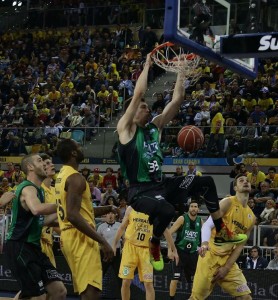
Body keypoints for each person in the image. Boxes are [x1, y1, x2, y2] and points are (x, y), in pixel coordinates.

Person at [117, 53, 247, 271]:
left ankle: (221, 230)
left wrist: (181, 72)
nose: (148, 108)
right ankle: (155, 242)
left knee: (205, 181)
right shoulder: (126, 129)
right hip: (140, 192)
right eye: (143, 106)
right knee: (167, 210)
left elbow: (176, 101)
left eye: (147, 107)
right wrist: (147, 64)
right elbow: (139, 92)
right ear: (131, 111)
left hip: (162, 185)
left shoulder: (154, 128)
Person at [55, 139, 114, 299]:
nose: (82, 148)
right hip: (80, 237)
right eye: (78, 146)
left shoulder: (61, 176)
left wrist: (108, 208)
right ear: (73, 153)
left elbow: (82, 211)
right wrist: (103, 241)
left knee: (86, 290)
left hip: (69, 236)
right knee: (91, 292)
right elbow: (73, 215)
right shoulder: (76, 178)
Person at [5, 154, 67, 300]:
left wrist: (64, 215)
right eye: (40, 161)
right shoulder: (28, 188)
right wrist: (63, 205)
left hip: (34, 248)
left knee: (59, 291)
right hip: (19, 246)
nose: (45, 164)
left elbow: (42, 220)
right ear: (30, 167)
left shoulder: (38, 191)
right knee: (36, 296)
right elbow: (37, 209)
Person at [189, 174, 256, 300]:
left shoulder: (252, 218)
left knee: (245, 297)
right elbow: (207, 225)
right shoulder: (228, 202)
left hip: (227, 259)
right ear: (235, 187)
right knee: (196, 299)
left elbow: (239, 247)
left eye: (247, 181)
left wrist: (226, 268)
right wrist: (204, 243)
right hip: (210, 255)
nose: (245, 182)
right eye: (241, 180)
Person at [111, 207, 156, 300]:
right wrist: (114, 244)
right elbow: (122, 227)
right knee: (126, 281)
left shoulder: (154, 209)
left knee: (148, 283)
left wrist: (171, 248)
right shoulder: (131, 209)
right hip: (130, 248)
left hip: (146, 250)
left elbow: (163, 230)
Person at [168, 201, 203, 300]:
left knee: (194, 280)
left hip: (192, 254)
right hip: (180, 252)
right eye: (191, 206)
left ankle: (193, 298)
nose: (193, 208)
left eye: (195, 206)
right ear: (189, 208)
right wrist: (169, 250)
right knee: (175, 278)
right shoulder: (182, 218)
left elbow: (205, 238)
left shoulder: (200, 221)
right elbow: (169, 233)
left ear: (198, 209)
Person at [40, 153, 59, 267]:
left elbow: (53, 222)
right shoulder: (37, 190)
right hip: (37, 242)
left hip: (48, 243)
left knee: (53, 282)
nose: (52, 165)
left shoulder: (55, 190)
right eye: (47, 163)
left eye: (51, 162)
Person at [97, 210, 122, 293]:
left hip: (116, 253)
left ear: (115, 215)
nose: (110, 215)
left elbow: (125, 238)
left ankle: (124, 297)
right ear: (105, 215)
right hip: (105, 254)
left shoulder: (120, 225)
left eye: (112, 213)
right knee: (100, 275)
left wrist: (124, 249)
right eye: (108, 213)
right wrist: (101, 248)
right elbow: (97, 241)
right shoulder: (101, 227)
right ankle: (95, 295)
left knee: (120, 277)